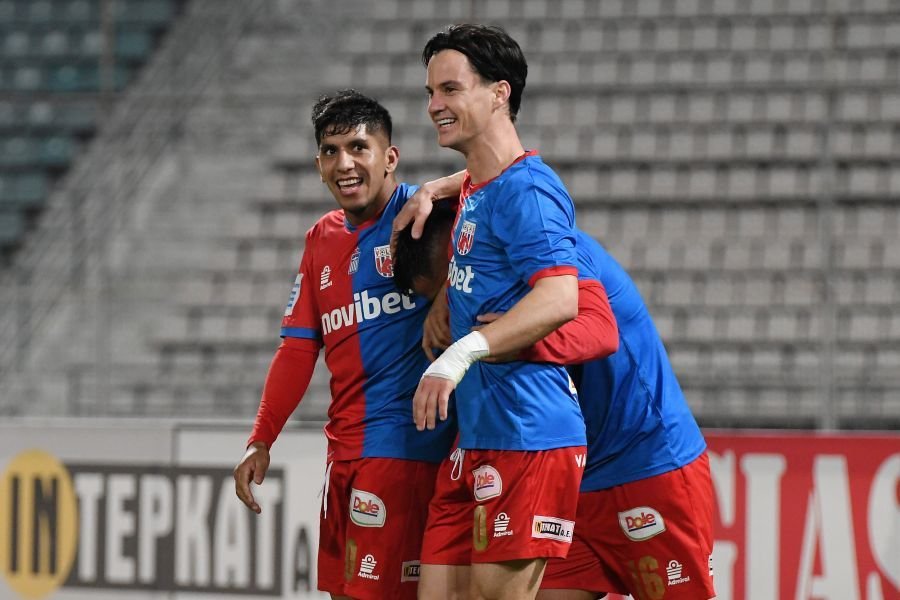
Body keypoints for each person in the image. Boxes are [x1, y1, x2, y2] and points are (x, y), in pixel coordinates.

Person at [393, 212, 717, 600]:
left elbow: (600, 333)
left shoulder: (553, 249)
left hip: (646, 462)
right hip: (568, 474)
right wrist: (447, 297)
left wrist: (504, 339)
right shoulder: (492, 271)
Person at [232, 89, 464, 600]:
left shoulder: (428, 214)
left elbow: (509, 180)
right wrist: (261, 438)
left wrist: (448, 289)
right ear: (318, 165)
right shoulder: (321, 238)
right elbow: (297, 349)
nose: (345, 164)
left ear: (390, 157)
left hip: (406, 451)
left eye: (359, 147)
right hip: (343, 453)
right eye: (331, 151)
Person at [412, 24, 596, 600]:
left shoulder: (528, 192)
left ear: (499, 94)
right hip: (479, 434)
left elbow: (561, 298)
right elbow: (482, 179)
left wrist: (459, 355)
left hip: (527, 433)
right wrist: (433, 189)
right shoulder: (479, 185)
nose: (434, 105)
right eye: (430, 92)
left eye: (450, 89)